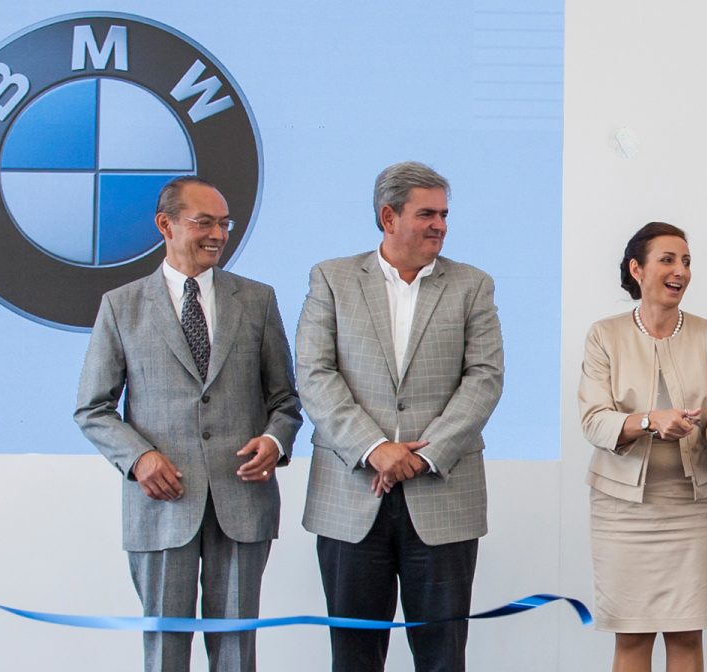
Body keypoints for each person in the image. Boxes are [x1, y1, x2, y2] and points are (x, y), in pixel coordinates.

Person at [74, 176, 303, 672]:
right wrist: (139, 459)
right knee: (164, 653)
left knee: (237, 653)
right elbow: (92, 408)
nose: (218, 234)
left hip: (242, 503)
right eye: (204, 222)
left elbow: (285, 399)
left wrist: (274, 440)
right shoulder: (122, 305)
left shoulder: (257, 300)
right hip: (161, 506)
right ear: (165, 225)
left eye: (224, 223)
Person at [295, 161, 504, 672]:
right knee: (354, 657)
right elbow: (314, 375)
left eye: (444, 214)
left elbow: (484, 378)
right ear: (388, 216)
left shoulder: (472, 285)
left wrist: (424, 455)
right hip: (350, 498)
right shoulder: (332, 278)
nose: (440, 225)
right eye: (427, 213)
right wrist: (375, 448)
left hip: (442, 494)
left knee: (442, 657)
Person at [577, 222, 707, 672]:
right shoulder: (604, 335)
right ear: (637, 269)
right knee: (632, 637)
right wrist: (651, 421)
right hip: (622, 509)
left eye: (687, 261)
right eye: (668, 260)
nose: (681, 271)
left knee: (687, 635)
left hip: (695, 508)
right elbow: (594, 422)